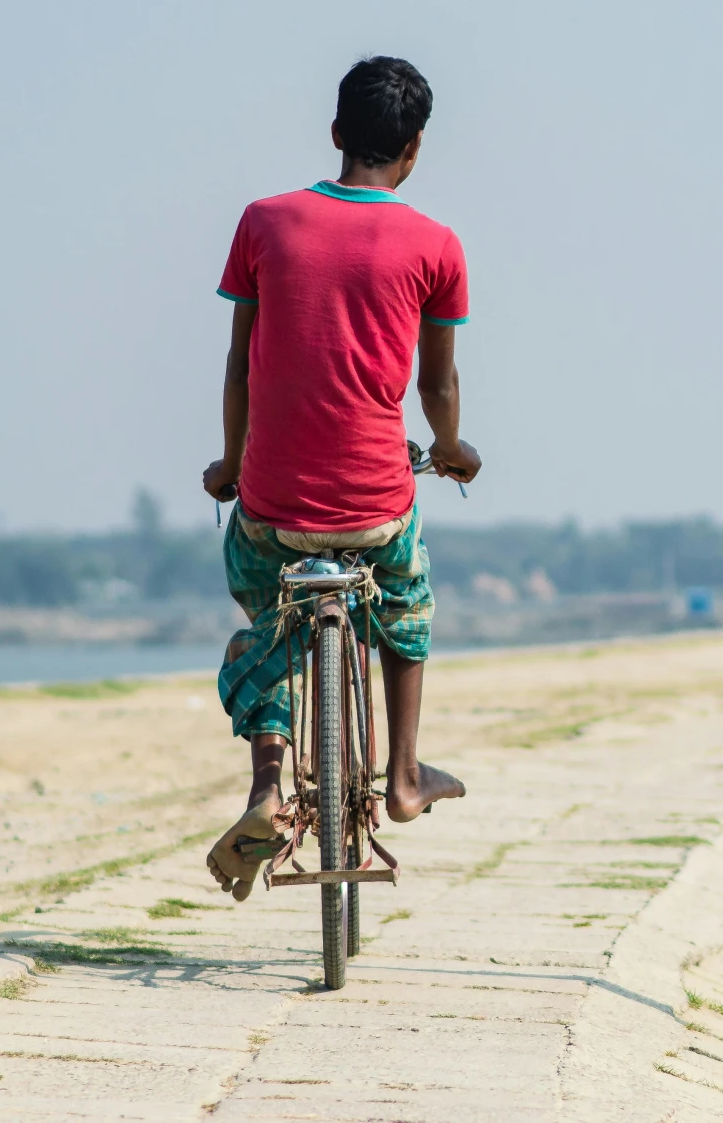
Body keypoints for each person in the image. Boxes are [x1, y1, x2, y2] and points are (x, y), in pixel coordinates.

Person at [199, 56, 480, 901]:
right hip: (375, 503)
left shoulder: (263, 223)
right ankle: (400, 774)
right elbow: (435, 386)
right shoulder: (436, 245)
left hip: (274, 503)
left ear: (334, 135)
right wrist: (454, 445)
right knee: (408, 600)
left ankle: (267, 783)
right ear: (415, 149)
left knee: (265, 615)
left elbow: (242, 364)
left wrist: (229, 465)